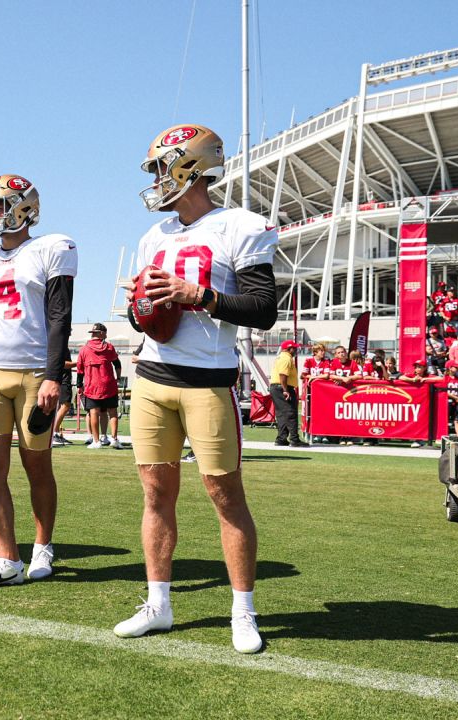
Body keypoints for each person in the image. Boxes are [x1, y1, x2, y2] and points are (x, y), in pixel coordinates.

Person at [113, 124, 276, 654]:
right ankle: (159, 604)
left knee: (225, 496)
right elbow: (148, 322)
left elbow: (263, 310)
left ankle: (243, 611)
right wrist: (143, 309)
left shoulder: (240, 226)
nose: (158, 180)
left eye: (164, 167)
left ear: (190, 166)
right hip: (153, 380)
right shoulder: (152, 237)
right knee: (156, 495)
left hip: (208, 383)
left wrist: (197, 294)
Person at [0, 173, 77, 588]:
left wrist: (53, 376)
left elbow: (60, 316)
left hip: (32, 371)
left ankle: (42, 546)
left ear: (23, 207)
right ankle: (7, 559)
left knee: (36, 464)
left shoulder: (51, 249)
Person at [77, 323, 123, 449]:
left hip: (92, 386)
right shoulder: (109, 347)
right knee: (112, 412)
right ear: (101, 333)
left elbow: (80, 370)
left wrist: (79, 385)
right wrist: (118, 378)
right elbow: (117, 364)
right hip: (109, 385)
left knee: (94, 413)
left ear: (93, 333)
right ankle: (114, 439)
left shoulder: (84, 349)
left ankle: (96, 441)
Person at [270, 340, 305, 447]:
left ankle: (281, 439)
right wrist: (285, 390)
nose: (295, 350)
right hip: (283, 388)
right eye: (294, 348)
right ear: (288, 349)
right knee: (290, 413)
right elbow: (283, 376)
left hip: (277, 387)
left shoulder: (281, 357)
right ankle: (294, 439)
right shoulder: (286, 358)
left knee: (282, 414)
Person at [51, 347, 75, 446]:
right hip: (63, 381)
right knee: (65, 406)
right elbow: (62, 364)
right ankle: (54, 433)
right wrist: (79, 363)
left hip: (63, 380)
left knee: (62, 407)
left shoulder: (62, 346)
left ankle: (56, 433)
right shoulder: (60, 347)